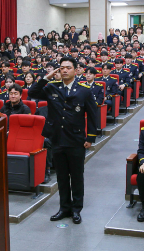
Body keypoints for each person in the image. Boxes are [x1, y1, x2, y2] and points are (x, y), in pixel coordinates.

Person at [28, 56, 97, 224]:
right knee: (61, 177)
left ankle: (76, 209)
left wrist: (91, 138)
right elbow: (32, 93)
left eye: (68, 67)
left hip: (76, 140)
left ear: (75, 70)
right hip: (57, 139)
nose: (64, 70)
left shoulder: (84, 90)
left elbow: (94, 115)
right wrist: (48, 76)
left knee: (76, 176)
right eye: (62, 68)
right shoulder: (52, 87)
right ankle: (64, 207)